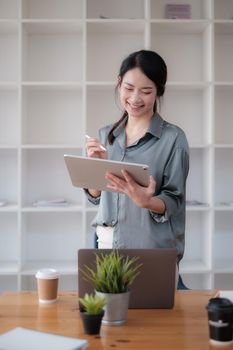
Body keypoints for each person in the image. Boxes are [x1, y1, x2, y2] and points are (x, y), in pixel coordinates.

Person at [85, 50, 189, 289]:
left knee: (157, 323)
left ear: (159, 91)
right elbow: (95, 196)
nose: (135, 98)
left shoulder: (173, 138)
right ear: (119, 83)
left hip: (152, 248)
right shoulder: (105, 135)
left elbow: (174, 200)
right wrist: (95, 169)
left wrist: (148, 202)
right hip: (107, 245)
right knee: (111, 321)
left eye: (146, 91)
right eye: (129, 88)